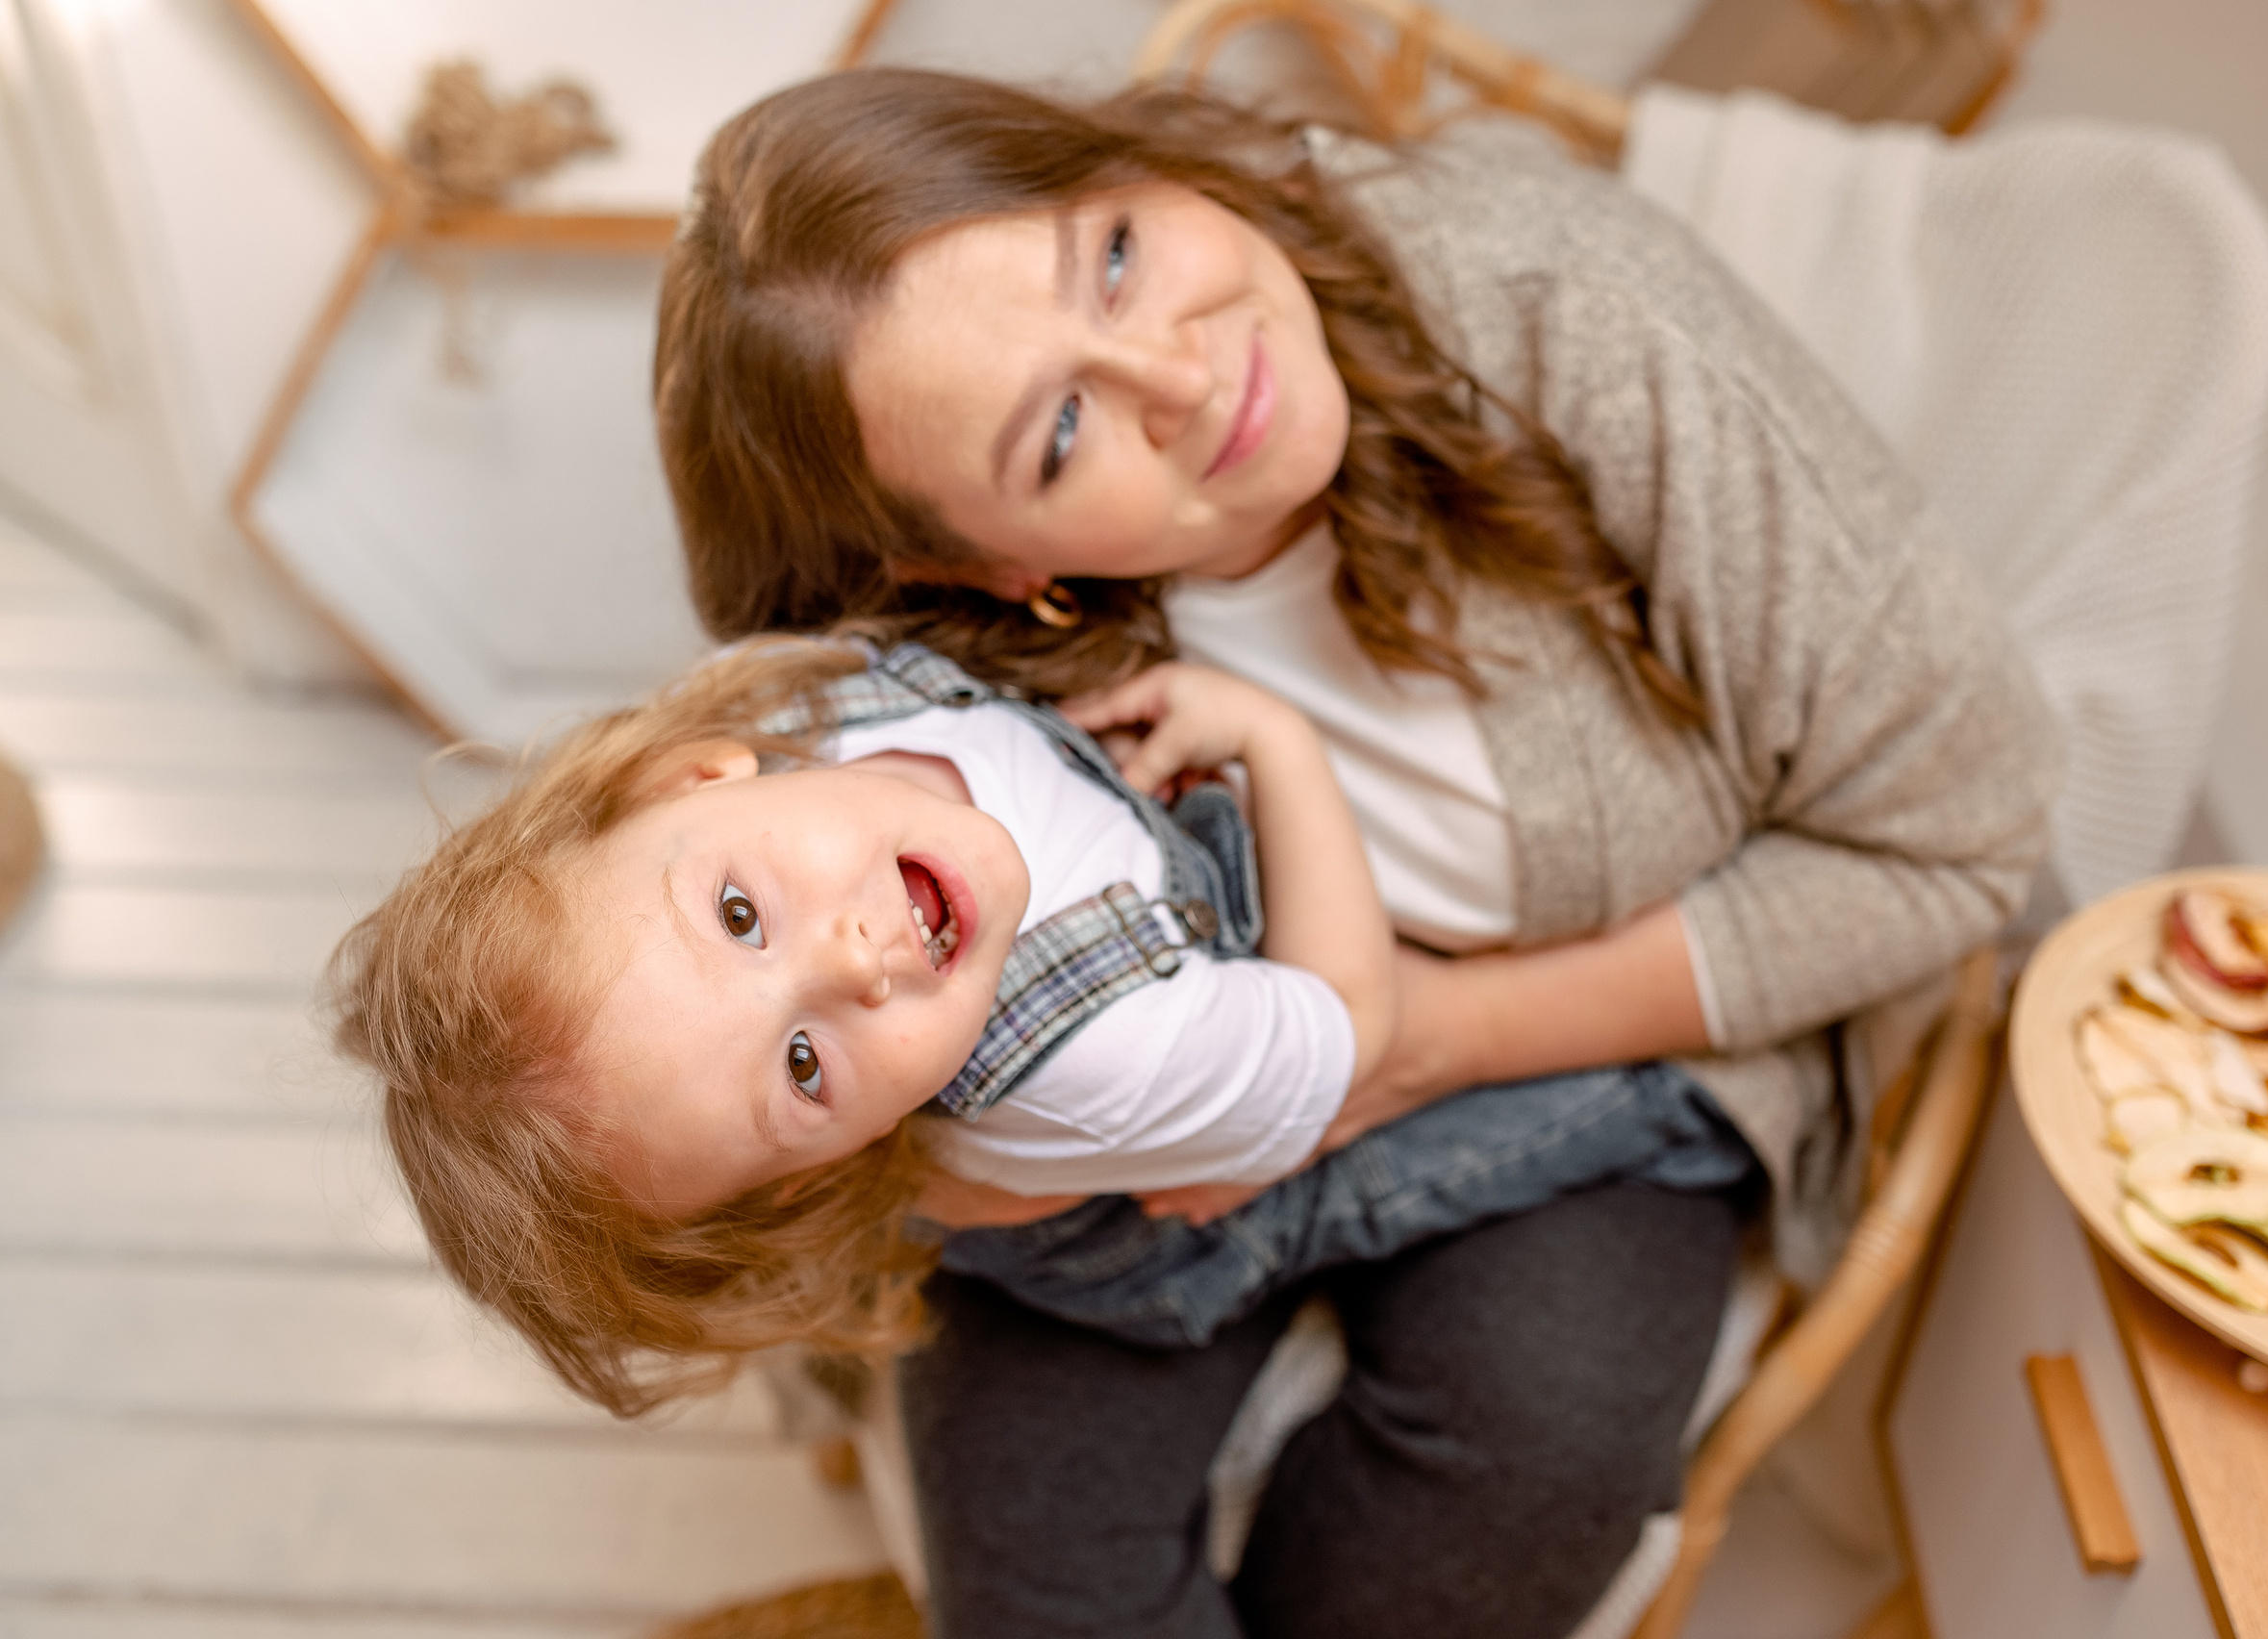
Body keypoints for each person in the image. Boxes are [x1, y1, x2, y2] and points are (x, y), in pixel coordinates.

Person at [652, 67, 2062, 1639]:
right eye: (1060, 432)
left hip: (1601, 1061)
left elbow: (1962, 835)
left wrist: (1438, 1038)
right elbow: (784, 1025)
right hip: (1186, 1092)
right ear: (981, 568)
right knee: (1039, 1571)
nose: (1180, 372)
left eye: (1114, 253)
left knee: (1542, 1452)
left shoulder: (1569, 311)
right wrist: (941, 1181)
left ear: (1124, 159)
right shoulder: (905, 692)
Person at [328, 634, 1753, 1413]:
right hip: (1220, 1176)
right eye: (806, 1064)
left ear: (695, 777)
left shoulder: (833, 703)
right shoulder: (1097, 1058)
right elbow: (1351, 1031)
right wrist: (1274, 739)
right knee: (1589, 1109)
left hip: (1112, 1087)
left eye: (743, 918)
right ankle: (1721, 1106)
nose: (854, 957)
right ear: (830, 1157)